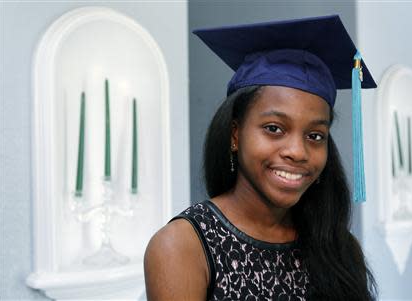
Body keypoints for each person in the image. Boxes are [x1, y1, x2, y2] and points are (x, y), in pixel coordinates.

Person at [144, 15, 377, 300]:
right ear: (235, 134)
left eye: (315, 135)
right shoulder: (183, 247)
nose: (298, 152)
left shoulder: (337, 246)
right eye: (274, 129)